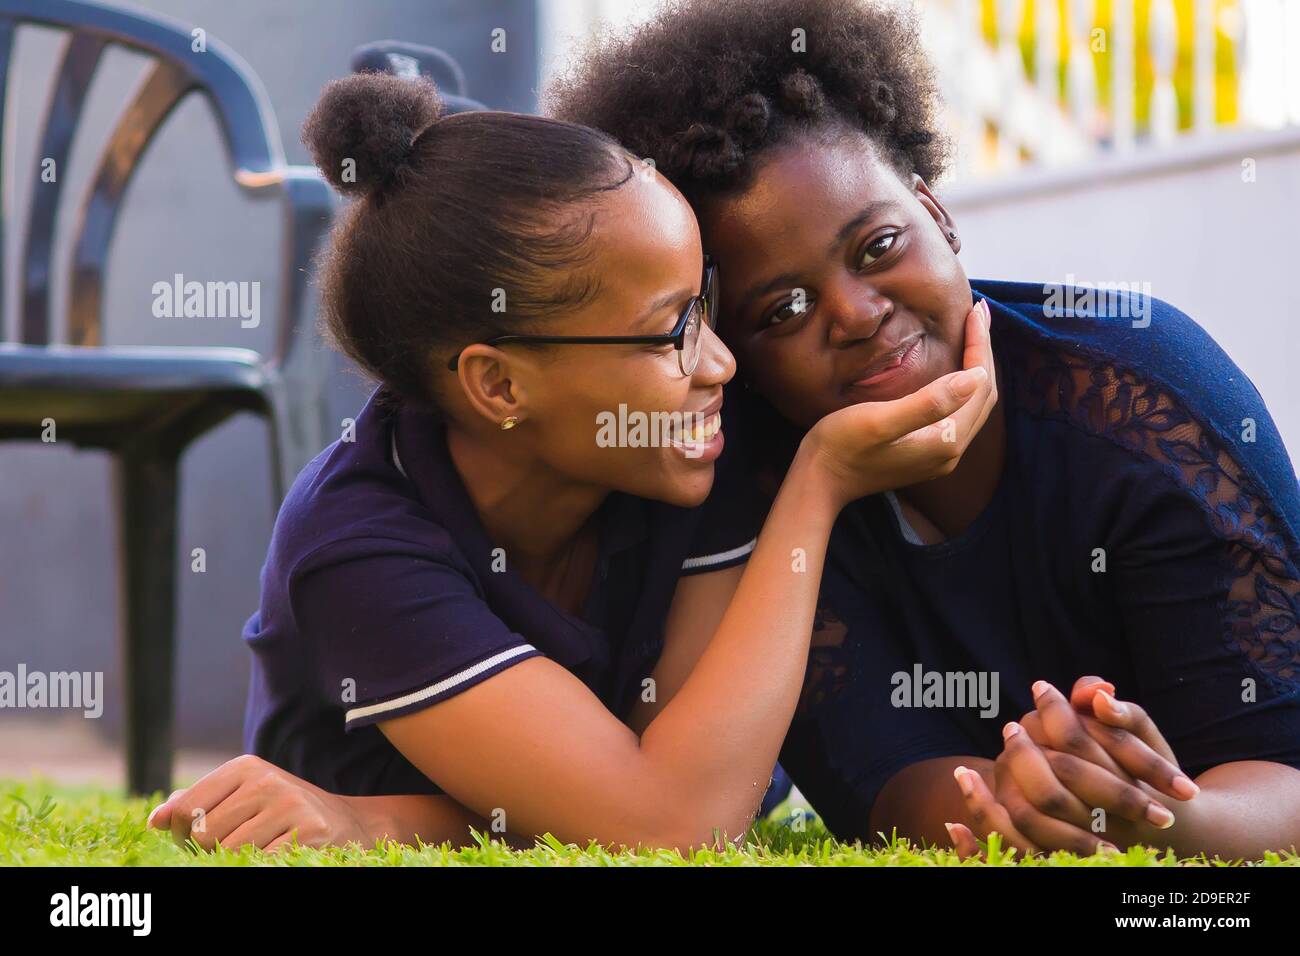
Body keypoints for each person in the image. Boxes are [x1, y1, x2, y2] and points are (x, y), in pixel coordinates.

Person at [146, 70, 997, 853]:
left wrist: (373, 824)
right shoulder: (358, 547)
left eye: (706, 305)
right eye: (671, 330)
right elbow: (670, 825)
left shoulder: (681, 446)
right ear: (500, 386)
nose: (719, 364)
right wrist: (819, 487)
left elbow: (673, 787)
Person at [546, 0, 1300, 858]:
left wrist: (1166, 818)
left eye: (877, 246)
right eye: (782, 309)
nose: (857, 314)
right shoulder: (749, 482)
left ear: (936, 214)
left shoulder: (1142, 399)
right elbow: (885, 780)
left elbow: (1282, 767)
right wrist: (1016, 799)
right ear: (733, 350)